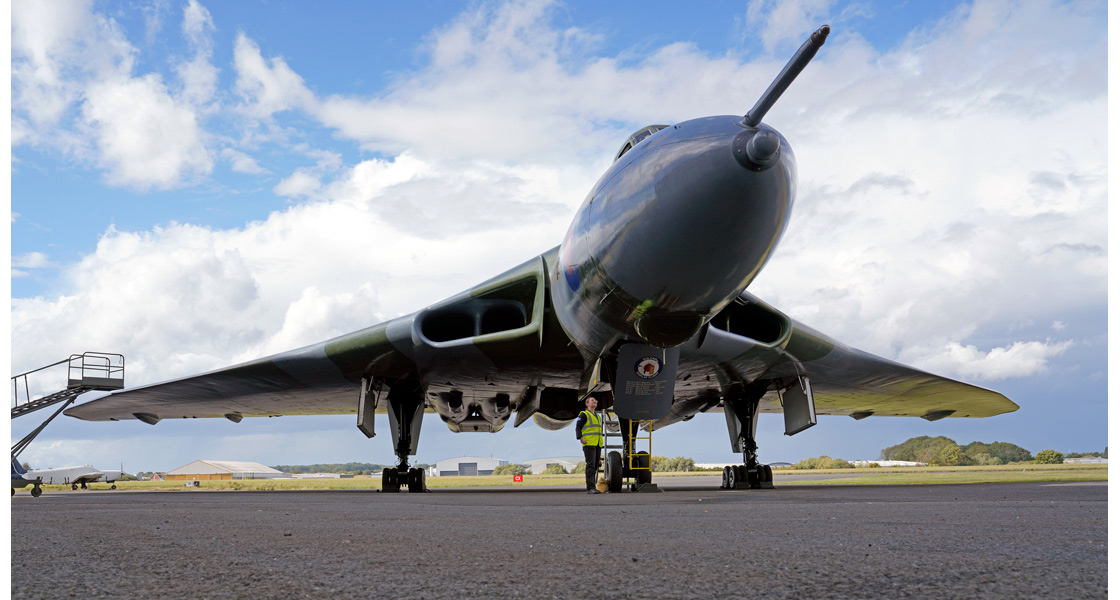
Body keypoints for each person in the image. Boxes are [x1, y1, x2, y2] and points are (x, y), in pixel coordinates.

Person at [574, 396, 603, 494]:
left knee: (595, 465)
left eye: (595, 400)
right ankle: (590, 488)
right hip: (589, 443)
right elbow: (578, 426)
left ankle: (593, 487)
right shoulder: (584, 414)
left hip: (597, 443)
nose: (595, 401)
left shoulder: (598, 416)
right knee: (590, 465)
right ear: (587, 404)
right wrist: (580, 438)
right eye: (592, 400)